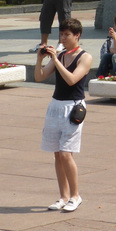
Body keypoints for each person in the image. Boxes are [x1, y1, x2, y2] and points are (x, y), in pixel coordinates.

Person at [35, 17, 92, 213]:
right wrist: (40, 59)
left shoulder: (85, 57)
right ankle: (63, 196)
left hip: (73, 108)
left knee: (67, 153)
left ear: (77, 35)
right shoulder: (60, 55)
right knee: (57, 154)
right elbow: (39, 77)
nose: (63, 38)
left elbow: (72, 79)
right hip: (56, 105)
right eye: (61, 34)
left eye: (67, 34)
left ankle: (76, 196)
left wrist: (56, 59)